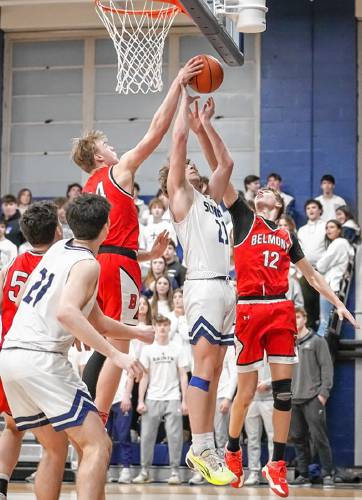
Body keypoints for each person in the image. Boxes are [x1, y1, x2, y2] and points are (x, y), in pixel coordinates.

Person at [203, 138, 358, 497]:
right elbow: (221, 173)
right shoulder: (242, 220)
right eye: (257, 194)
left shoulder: (288, 236)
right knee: (244, 394)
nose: (260, 195)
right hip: (249, 310)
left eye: (266, 195)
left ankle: (276, 464)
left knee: (283, 394)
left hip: (280, 310)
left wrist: (339, 304)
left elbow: (314, 277)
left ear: (278, 204)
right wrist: (204, 128)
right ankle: (232, 450)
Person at [0, 194, 154, 500]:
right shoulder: (87, 264)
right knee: (98, 444)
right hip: (42, 359)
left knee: (55, 448)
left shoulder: (58, 250)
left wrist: (137, 333)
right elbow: (67, 312)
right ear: (108, 227)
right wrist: (116, 354)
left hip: (11, 357)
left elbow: (96, 319)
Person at [73, 56, 203, 422]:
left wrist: (148, 255)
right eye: (108, 144)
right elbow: (156, 131)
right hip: (116, 266)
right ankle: (98, 416)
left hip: (98, 262)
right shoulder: (118, 170)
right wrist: (178, 84)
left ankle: (87, 410)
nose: (114, 147)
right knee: (122, 341)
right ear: (99, 155)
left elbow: (111, 241)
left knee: (105, 340)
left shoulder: (87, 187)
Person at [159, 91, 236, 486]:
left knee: (218, 368)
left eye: (192, 164)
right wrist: (183, 97)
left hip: (225, 288)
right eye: (185, 165)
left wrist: (205, 125)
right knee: (204, 368)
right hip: (204, 286)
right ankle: (202, 445)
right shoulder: (183, 199)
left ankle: (207, 446)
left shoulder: (213, 199)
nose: (191, 164)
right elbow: (176, 142)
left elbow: (225, 162)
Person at [0, 202, 62, 500]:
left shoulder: (14, 263)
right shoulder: (55, 265)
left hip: (7, 352)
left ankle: (1, 487)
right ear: (58, 231)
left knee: (13, 426)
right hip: (37, 356)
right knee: (55, 444)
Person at [133, 315, 188, 485]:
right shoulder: (148, 350)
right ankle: (144, 471)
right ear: (155, 328)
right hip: (152, 397)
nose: (162, 328)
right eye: (159, 325)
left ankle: (175, 472)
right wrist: (140, 400)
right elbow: (144, 377)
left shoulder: (177, 348)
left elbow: (183, 376)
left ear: (169, 327)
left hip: (172, 397)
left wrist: (184, 400)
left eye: (165, 325)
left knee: (174, 437)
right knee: (147, 436)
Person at [289, 307, 334, 488]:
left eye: (298, 316)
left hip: (313, 398)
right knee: (298, 439)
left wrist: (323, 394)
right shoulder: (288, 343)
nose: (296, 320)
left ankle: (328, 473)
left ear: (305, 318)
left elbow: (327, 368)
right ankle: (304, 475)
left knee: (319, 437)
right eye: (293, 317)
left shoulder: (317, 341)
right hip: (294, 399)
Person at [316, 220, 354, 337]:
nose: (328, 230)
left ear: (339, 230)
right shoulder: (344, 244)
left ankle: (320, 352)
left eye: (332, 227)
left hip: (331, 286)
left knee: (325, 322)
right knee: (327, 321)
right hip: (334, 286)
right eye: (327, 228)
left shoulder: (339, 243)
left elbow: (321, 266)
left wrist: (318, 265)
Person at [244, 361, 274, 486]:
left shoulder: (273, 347)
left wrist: (268, 383)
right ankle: (253, 472)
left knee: (273, 437)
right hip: (251, 399)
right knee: (252, 438)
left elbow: (283, 371)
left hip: (270, 398)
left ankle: (273, 473)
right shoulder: (248, 349)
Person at [297, 199, 326, 329]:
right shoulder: (302, 230)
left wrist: (321, 266)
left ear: (320, 210)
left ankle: (321, 338)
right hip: (305, 271)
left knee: (322, 305)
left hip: (322, 271)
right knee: (306, 302)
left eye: (314, 207)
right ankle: (308, 332)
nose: (311, 210)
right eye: (308, 208)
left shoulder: (326, 226)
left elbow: (329, 248)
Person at [278, 215, 304, 307]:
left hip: (292, 277)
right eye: (280, 225)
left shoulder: (296, 241)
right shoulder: (274, 240)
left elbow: (301, 263)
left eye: (285, 225)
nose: (282, 227)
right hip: (277, 278)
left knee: (296, 305)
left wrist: (297, 275)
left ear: (290, 226)